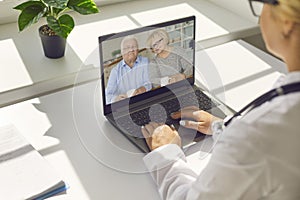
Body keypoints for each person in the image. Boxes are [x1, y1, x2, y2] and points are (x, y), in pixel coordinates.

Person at [142, 0, 300, 199]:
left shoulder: (258, 136)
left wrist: (166, 154)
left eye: (263, 3)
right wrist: (221, 126)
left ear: (286, 21)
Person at [105, 36, 152, 104]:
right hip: (125, 105)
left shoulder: (145, 62)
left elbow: (149, 83)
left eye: (134, 47)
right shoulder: (115, 71)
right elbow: (108, 95)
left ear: (138, 50)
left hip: (144, 101)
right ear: (122, 52)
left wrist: (142, 89)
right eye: (127, 48)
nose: (131, 50)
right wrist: (115, 99)